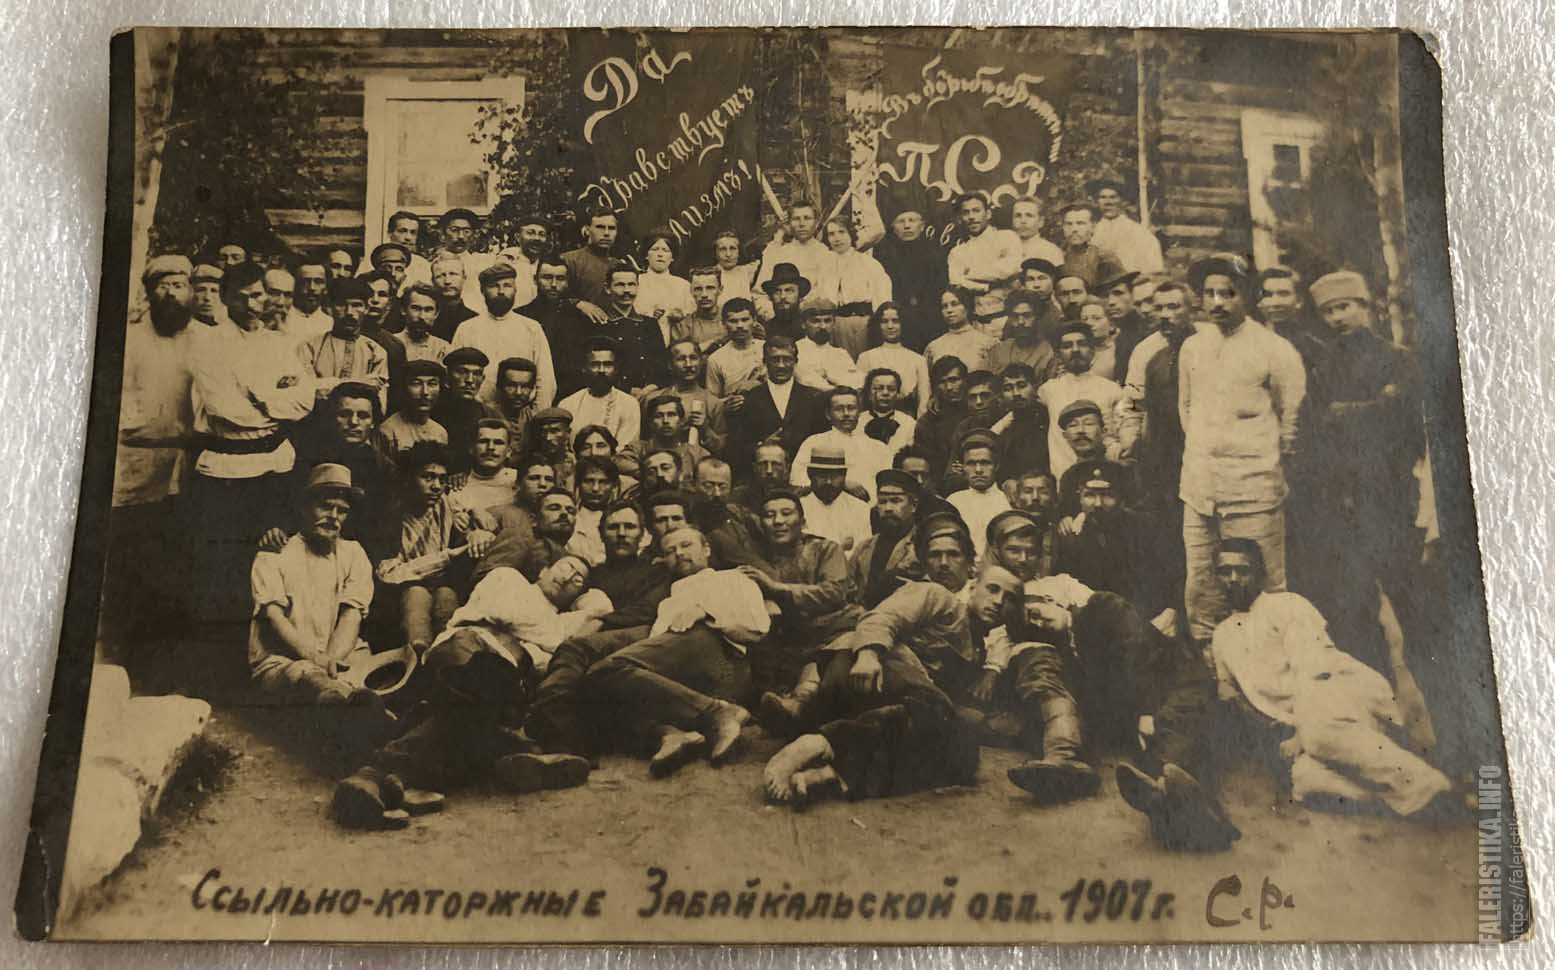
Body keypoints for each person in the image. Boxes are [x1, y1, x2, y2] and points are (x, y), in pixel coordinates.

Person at [331, 555, 609, 828]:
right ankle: (516, 747)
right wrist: (554, 633)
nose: (568, 577)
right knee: (485, 678)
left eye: (578, 580)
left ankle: (380, 778)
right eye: (566, 566)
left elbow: (551, 656)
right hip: (465, 648)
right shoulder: (509, 578)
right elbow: (506, 614)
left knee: (468, 712)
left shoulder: (558, 622)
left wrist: (578, 617)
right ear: (543, 570)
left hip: (500, 686)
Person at [762, 522, 1013, 806]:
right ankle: (818, 744)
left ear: (969, 565)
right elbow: (883, 617)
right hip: (868, 672)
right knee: (937, 715)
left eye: (953, 555)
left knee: (963, 751)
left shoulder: (977, 642)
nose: (998, 601)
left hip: (880, 704)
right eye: (935, 555)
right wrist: (869, 654)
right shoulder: (935, 594)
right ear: (974, 582)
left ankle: (829, 774)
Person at [1208, 539, 1454, 819]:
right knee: (1305, 780)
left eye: (1243, 570)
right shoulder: (1221, 636)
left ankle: (1428, 784)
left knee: (1318, 735)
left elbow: (1315, 670)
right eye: (1224, 571)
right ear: (1215, 577)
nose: (1233, 579)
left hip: (1342, 692)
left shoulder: (1286, 605)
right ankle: (1401, 797)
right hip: (1308, 723)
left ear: (1261, 574)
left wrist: (1301, 734)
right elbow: (1230, 692)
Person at [1179, 253, 1306, 644]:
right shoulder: (1193, 348)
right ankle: (1210, 658)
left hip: (1253, 489)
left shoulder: (1275, 350)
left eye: (1228, 293)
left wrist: (1260, 464)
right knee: (1202, 583)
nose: (1217, 302)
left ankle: (1270, 662)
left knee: (1264, 585)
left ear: (1246, 296)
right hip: (1200, 489)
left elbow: (1291, 418)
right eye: (1209, 293)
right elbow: (1187, 409)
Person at [1303, 269, 1424, 677]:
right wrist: (1368, 412)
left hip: (1392, 492)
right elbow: (1317, 425)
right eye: (1328, 311)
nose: (1337, 317)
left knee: (1408, 594)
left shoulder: (1398, 359)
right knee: (1355, 602)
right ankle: (1377, 689)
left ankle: (1436, 691)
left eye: (1345, 307)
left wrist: (1350, 415)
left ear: (1365, 306)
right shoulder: (1322, 366)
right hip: (1344, 496)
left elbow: (1404, 421)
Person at [187, 262, 317, 626]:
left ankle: (267, 639)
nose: (251, 305)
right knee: (226, 563)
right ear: (226, 299)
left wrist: (260, 397)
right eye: (241, 298)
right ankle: (221, 641)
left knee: (273, 555)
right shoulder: (208, 346)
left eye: (258, 295)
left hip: (276, 466)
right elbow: (226, 411)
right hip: (227, 470)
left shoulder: (280, 344)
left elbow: (304, 401)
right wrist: (276, 397)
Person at [582, 527, 769, 771]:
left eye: (686, 545)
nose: (679, 553)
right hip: (685, 682)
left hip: (721, 658)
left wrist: (707, 614)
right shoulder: (668, 602)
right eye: (670, 551)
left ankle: (718, 712)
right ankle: (672, 734)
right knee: (602, 687)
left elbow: (758, 630)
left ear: (706, 549)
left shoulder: (732, 579)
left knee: (607, 669)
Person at [106, 255, 199, 664]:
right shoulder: (129, 342)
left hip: (187, 475)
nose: (171, 293)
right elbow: (121, 414)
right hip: (135, 475)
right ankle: (127, 656)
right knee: (133, 565)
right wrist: (169, 431)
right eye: (163, 285)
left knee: (177, 564)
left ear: (191, 291)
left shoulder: (203, 339)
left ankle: (170, 657)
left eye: (179, 285)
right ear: (149, 292)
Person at [248, 464, 389, 722]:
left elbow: (351, 616)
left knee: (368, 680)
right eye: (325, 507)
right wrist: (317, 661)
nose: (334, 517)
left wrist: (330, 661)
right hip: (284, 661)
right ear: (305, 508)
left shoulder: (354, 553)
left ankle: (356, 711)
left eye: (342, 511)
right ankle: (343, 708)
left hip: (340, 656)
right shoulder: (273, 554)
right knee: (309, 679)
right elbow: (275, 619)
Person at [375, 442, 496, 655]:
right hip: (400, 592)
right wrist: (446, 557)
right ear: (408, 478)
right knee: (416, 595)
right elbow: (387, 573)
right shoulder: (390, 516)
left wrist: (476, 533)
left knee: (446, 596)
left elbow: (475, 527)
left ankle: (448, 656)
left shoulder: (446, 504)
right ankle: (417, 655)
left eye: (442, 479)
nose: (436, 486)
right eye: (428, 477)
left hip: (442, 585)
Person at [452, 261, 556, 408]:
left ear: (515, 289)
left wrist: (536, 414)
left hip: (520, 413)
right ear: (482, 290)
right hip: (476, 411)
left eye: (507, 285)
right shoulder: (466, 329)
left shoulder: (532, 328)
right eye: (494, 286)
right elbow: (454, 375)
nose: (501, 291)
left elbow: (545, 380)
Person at [724, 335, 828, 477]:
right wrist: (762, 445)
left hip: (804, 477)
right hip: (762, 478)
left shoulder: (814, 398)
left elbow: (822, 442)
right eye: (775, 359)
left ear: (795, 361)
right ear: (764, 362)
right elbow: (734, 450)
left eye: (787, 359)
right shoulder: (747, 400)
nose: (781, 365)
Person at [1037, 321, 1123, 480]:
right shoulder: (1047, 391)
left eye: (1082, 344)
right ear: (1058, 354)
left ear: (1092, 350)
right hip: (1061, 478)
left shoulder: (1112, 390)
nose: (1075, 350)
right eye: (1067, 346)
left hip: (1101, 477)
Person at [298, 277, 391, 411]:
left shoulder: (376, 353)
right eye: (341, 305)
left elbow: (377, 404)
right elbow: (304, 393)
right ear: (330, 308)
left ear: (366, 308)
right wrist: (361, 384)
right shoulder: (309, 347)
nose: (349, 312)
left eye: (357, 305)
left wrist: (324, 385)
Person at [790, 386, 892, 502]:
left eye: (851, 408)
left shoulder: (878, 448)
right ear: (828, 414)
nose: (846, 414)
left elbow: (886, 487)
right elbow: (798, 481)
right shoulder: (813, 443)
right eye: (839, 409)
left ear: (859, 412)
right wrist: (842, 484)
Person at [871, 202, 948, 351]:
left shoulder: (936, 254)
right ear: (893, 227)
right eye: (901, 221)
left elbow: (940, 290)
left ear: (922, 225)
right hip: (897, 324)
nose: (907, 226)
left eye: (912, 220)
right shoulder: (884, 256)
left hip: (931, 322)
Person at [814, 217, 892, 357]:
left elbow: (882, 297)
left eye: (841, 232)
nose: (837, 238)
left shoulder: (868, 263)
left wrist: (879, 326)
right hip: (833, 324)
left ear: (851, 234)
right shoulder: (824, 265)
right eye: (831, 234)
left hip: (863, 323)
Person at [522, 255, 599, 399]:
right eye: (547, 277)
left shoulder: (581, 320)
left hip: (571, 395)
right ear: (535, 279)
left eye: (560, 279)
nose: (553, 284)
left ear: (568, 282)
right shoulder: (522, 317)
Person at [848, 468, 924, 608]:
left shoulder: (922, 546)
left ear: (913, 505)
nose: (888, 508)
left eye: (896, 501)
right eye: (882, 501)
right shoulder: (864, 547)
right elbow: (848, 588)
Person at [556, 338, 641, 448]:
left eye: (607, 364)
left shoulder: (629, 404)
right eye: (595, 364)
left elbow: (626, 449)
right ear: (584, 368)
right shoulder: (567, 405)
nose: (601, 370)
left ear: (616, 369)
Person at [649, 338, 728, 456]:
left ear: (701, 361)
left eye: (693, 358)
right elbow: (645, 441)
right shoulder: (654, 399)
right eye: (681, 359)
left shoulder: (714, 403)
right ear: (670, 364)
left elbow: (722, 449)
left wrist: (705, 429)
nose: (688, 364)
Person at [753, 200, 831, 316]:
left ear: (816, 222)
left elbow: (825, 292)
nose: (802, 224)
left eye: (807, 218)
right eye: (796, 219)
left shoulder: (825, 253)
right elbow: (759, 293)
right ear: (789, 222)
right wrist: (772, 315)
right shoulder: (777, 252)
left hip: (811, 317)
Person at [946, 431, 1011, 559]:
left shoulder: (1008, 500)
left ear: (996, 466)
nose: (978, 470)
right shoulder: (954, 502)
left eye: (985, 463)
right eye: (971, 463)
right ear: (963, 467)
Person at [858, 303, 931, 416]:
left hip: (907, 418)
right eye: (884, 321)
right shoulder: (866, 357)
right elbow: (860, 398)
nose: (890, 326)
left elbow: (924, 401)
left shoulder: (918, 360)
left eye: (895, 321)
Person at [947, 191, 1022, 300]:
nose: (971, 217)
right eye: (966, 213)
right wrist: (987, 287)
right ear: (960, 219)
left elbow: (1011, 268)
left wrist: (970, 273)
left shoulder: (1007, 237)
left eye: (976, 211)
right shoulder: (957, 252)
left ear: (988, 214)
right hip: (978, 307)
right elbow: (956, 281)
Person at [432, 347, 497, 471]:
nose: (470, 380)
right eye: (462, 372)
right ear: (447, 377)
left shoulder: (489, 415)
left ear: (483, 379)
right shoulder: (431, 412)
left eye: (477, 374)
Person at [620, 393, 710, 483]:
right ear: (650, 423)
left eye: (671, 415)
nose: (665, 421)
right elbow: (618, 461)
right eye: (658, 416)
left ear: (682, 421)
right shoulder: (639, 448)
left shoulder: (697, 454)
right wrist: (648, 472)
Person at [1086, 178, 1165, 275]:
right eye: (1103, 197)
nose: (1108, 202)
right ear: (1096, 202)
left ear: (1122, 201)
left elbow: (1153, 268)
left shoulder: (1138, 232)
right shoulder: (1091, 230)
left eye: (1113, 197)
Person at [373, 359, 447, 459]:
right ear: (403, 388)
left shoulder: (440, 432)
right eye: (416, 384)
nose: (425, 392)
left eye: (432, 384)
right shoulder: (388, 431)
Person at [912, 356, 970, 481]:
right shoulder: (927, 423)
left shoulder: (978, 411)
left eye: (953, 380)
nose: (948, 387)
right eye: (942, 382)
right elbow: (927, 466)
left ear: (965, 381)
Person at [991, 362, 1049, 485]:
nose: (1016, 393)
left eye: (1022, 386)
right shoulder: (1004, 430)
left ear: (1035, 386)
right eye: (1008, 389)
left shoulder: (1050, 420)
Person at [986, 290, 1058, 385]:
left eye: (1027, 315)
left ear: (1037, 317)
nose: (1020, 322)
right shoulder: (998, 350)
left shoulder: (1048, 352)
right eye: (1015, 316)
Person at [449, 418, 517, 512]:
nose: (490, 447)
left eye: (498, 443)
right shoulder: (457, 487)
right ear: (471, 448)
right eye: (483, 441)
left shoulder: (520, 482)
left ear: (509, 451)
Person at [436, 207, 496, 311]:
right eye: (454, 230)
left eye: (466, 231)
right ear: (442, 234)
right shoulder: (433, 265)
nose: (460, 236)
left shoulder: (483, 264)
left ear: (474, 235)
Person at [924, 288, 994, 376]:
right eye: (944, 306)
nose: (949, 310)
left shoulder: (987, 343)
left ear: (967, 307)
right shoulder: (933, 347)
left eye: (955, 304)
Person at [705, 298, 766, 398]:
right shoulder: (716, 359)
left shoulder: (767, 349)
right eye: (733, 321)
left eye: (745, 320)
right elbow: (713, 401)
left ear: (754, 320)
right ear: (724, 323)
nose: (739, 325)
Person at [1098, 268, 1151, 384]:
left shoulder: (1146, 331)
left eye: (1118, 293)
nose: (1111, 302)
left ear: (1132, 295)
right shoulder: (1111, 333)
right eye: (1105, 296)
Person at [1057, 201, 1125, 289]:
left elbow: (1121, 291)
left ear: (1093, 226)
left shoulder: (1105, 258)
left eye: (1080, 223)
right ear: (1063, 227)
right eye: (1068, 224)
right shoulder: (1057, 255)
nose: (1074, 229)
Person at [562, 207, 621, 308]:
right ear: (587, 230)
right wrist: (577, 303)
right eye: (600, 227)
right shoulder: (569, 260)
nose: (606, 233)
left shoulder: (619, 266)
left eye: (611, 228)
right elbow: (555, 297)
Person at [634, 228, 694, 324]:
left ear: (672, 257)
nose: (660, 254)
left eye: (665, 250)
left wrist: (681, 314)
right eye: (655, 249)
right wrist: (649, 314)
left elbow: (692, 314)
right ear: (646, 255)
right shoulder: (636, 282)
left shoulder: (683, 286)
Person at [494, 212, 549, 309]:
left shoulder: (547, 264)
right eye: (530, 233)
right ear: (518, 237)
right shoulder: (506, 262)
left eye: (542, 234)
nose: (537, 238)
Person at [859, 368, 916, 456]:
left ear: (898, 393)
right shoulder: (858, 422)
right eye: (879, 388)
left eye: (891, 389)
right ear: (869, 393)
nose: (885, 393)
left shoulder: (909, 424)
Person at [429, 252, 479, 342]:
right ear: (432, 281)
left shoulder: (475, 320)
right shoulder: (426, 319)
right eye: (440, 276)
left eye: (453, 274)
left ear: (464, 278)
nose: (447, 281)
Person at [282, 258, 334, 344]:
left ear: (326, 288)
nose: (312, 288)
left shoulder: (330, 323)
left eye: (318, 281)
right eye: (305, 282)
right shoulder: (282, 319)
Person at [679, 266, 729, 353]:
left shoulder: (733, 319)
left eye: (710, 288)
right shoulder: (684, 325)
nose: (704, 294)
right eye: (698, 289)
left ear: (720, 290)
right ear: (691, 291)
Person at [756, 262, 810, 341]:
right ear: (771, 297)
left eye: (789, 291)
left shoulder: (809, 328)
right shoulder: (764, 330)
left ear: (800, 295)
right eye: (777, 291)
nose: (782, 296)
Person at [711, 229, 759, 313]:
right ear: (715, 253)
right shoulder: (710, 276)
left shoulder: (748, 272)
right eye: (722, 249)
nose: (728, 254)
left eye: (732, 248)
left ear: (739, 252)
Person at [1010, 196, 1065, 265]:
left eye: (1029, 215)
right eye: (1018, 216)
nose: (1023, 221)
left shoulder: (1051, 252)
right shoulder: (1004, 247)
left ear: (1040, 222)